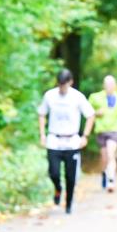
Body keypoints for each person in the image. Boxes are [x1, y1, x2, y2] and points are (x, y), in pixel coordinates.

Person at [38, 69, 95, 214]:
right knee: (54, 172)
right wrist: (42, 134)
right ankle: (58, 188)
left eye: (64, 84)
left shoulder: (77, 97)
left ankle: (68, 203)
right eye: (60, 84)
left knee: (70, 176)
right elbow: (42, 114)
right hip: (54, 140)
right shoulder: (50, 95)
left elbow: (90, 115)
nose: (62, 88)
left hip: (71, 141)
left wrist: (85, 136)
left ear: (70, 82)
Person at [88, 75, 117, 192]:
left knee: (111, 154)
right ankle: (104, 173)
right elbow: (88, 111)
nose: (109, 86)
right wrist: (96, 112)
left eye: (111, 84)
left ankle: (111, 180)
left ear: (115, 85)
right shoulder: (95, 97)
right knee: (104, 157)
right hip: (101, 130)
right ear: (104, 85)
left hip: (114, 130)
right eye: (107, 84)